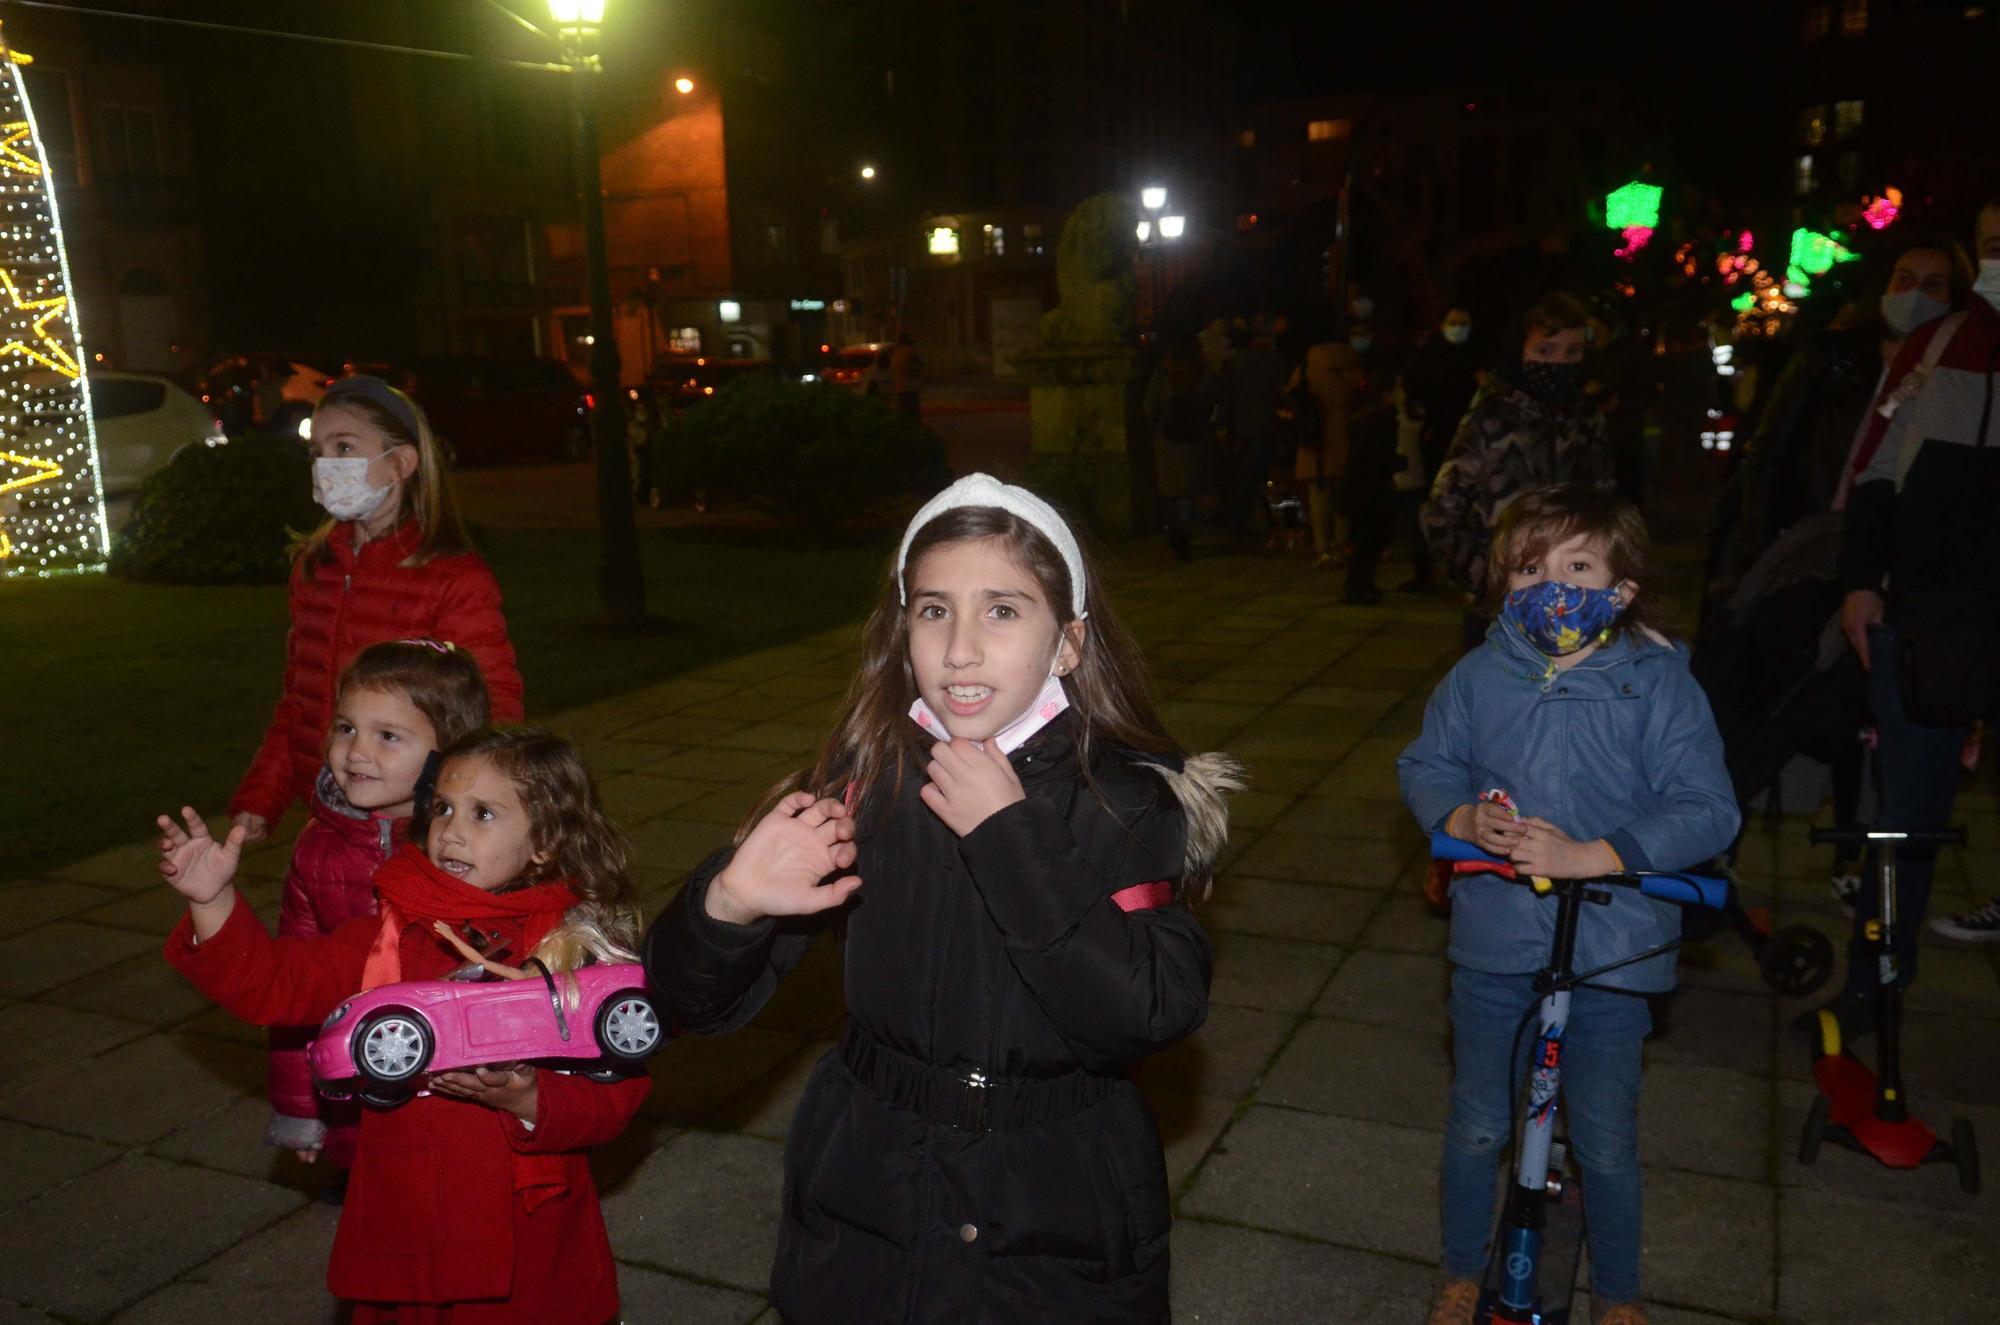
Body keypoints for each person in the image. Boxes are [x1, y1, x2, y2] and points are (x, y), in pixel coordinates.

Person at [643, 473, 1242, 1321]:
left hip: (1053, 1211)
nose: (961, 648)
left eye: (1002, 610)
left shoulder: (1125, 802)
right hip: (873, 1198)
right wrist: (730, 904)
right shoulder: (864, 786)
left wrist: (1011, 836)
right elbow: (682, 999)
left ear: (1068, 642)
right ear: (901, 632)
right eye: (933, 611)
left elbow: (1147, 1009)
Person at [160, 728, 647, 1325]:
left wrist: (530, 1097)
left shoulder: (574, 949)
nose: (452, 830)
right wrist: (211, 901)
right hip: (414, 1229)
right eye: (441, 807)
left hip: (529, 1243)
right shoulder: (392, 932)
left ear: (545, 842)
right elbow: (274, 984)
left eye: (483, 813)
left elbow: (615, 1096)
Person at [1399, 484, 1738, 1325]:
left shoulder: (1656, 684)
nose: (1551, 584)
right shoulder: (1478, 676)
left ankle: (1618, 1292)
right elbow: (1426, 763)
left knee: (1607, 1138)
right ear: (1500, 582)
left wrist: (1600, 855)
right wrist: (1459, 816)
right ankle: (1460, 1269)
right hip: (1498, 938)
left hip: (1614, 946)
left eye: (1577, 566)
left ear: (1620, 590)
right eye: (1528, 567)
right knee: (1480, 1122)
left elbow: (1707, 805)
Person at [1812, 199, 2000, 1033]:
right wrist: (1862, 581)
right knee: (1905, 813)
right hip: (1928, 618)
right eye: (1994, 242)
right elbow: (1879, 471)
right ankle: (1876, 977)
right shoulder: (1935, 347)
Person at [228, 376, 524, 848]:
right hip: (326, 817)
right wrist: (260, 799)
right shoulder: (315, 567)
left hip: (410, 827)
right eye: (318, 451)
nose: (327, 465)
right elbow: (298, 702)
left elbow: (494, 709)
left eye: (344, 447)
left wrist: (461, 819)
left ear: (401, 463)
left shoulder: (453, 579)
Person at [264, 639, 491, 1177]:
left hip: (458, 1090)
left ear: (447, 755)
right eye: (345, 728)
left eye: (387, 736)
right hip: (354, 1094)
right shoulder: (317, 851)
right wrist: (300, 1110)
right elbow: (293, 990)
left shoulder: (473, 849)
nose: (356, 752)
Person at [1424, 292, 1615, 651]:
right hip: (1501, 613)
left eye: (1572, 352)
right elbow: (1441, 511)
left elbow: (1605, 507)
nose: (1559, 362)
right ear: (1520, 351)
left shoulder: (1586, 418)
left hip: (1574, 606)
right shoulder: (1492, 417)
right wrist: (1486, 578)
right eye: (1545, 351)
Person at [1396, 308, 1481, 591]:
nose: (1458, 328)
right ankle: (1427, 570)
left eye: (1463, 323)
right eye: (1453, 323)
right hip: (1436, 441)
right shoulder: (1429, 357)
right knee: (1433, 504)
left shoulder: (1477, 358)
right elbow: (1416, 392)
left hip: (1471, 444)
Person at [1143, 334, 1217, 562]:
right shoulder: (1202, 373)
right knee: (1187, 493)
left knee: (1170, 493)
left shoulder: (1163, 374)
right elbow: (1214, 399)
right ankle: (1183, 541)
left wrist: (1158, 425)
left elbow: (1149, 407)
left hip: (1167, 440)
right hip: (1193, 440)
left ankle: (1174, 539)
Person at [1222, 316, 1291, 542]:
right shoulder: (1272, 360)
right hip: (1263, 425)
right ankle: (1243, 523)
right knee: (1255, 477)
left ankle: (1241, 521)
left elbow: (1227, 394)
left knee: (1245, 476)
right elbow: (1281, 391)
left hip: (1242, 425)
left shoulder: (1237, 360)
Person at [891, 333, 925, 417]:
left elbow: (894, 367)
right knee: (912, 408)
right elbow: (920, 364)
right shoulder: (912, 351)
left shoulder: (897, 353)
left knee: (904, 407)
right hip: (911, 385)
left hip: (901, 386)